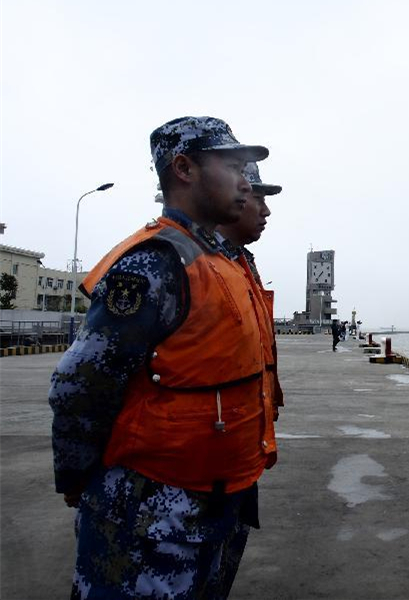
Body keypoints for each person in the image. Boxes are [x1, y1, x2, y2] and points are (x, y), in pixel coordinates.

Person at [49, 116, 277, 599]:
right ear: (184, 168)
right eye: (232, 165)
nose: (245, 180)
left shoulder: (220, 256)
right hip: (152, 509)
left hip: (215, 497)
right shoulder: (157, 261)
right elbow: (79, 384)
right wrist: (78, 477)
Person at [217, 162, 284, 420]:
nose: (266, 211)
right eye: (257, 198)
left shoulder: (241, 261)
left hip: (241, 438)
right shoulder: (183, 262)